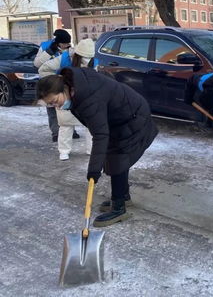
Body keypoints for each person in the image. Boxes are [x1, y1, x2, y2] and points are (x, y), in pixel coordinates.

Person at [36, 67, 158, 226]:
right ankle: (123, 196)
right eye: (51, 105)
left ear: (63, 89)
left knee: (118, 158)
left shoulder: (87, 98)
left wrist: (93, 170)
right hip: (120, 117)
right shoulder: (75, 88)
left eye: (55, 101)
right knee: (115, 156)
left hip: (133, 117)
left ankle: (119, 208)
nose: (57, 106)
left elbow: (100, 136)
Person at [38, 39, 98, 160]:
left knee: (91, 124)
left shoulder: (94, 62)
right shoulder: (65, 59)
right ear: (78, 55)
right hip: (66, 95)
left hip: (86, 96)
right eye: (84, 57)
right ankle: (64, 151)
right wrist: (58, 81)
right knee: (66, 124)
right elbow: (43, 69)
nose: (87, 60)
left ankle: (91, 149)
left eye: (89, 57)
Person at [34, 29, 78, 142]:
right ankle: (56, 132)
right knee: (52, 108)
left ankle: (71, 130)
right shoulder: (45, 47)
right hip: (48, 82)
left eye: (69, 43)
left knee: (67, 106)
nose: (67, 45)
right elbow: (36, 64)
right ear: (58, 42)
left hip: (64, 82)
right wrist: (48, 53)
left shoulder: (70, 49)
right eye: (65, 43)